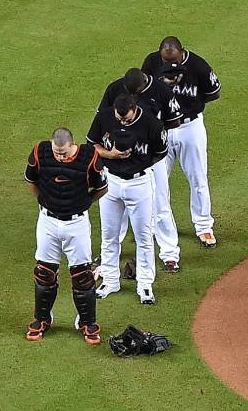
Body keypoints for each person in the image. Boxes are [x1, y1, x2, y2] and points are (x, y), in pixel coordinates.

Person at [24, 127, 107, 344]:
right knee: (44, 272)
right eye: (56, 151)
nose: (59, 156)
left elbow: (102, 188)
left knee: (82, 275)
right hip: (48, 221)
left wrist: (86, 202)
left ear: (72, 145)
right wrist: (44, 202)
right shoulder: (40, 153)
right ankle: (42, 319)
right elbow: (32, 181)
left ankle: (87, 322)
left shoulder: (89, 157)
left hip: (77, 223)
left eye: (63, 152)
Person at [95, 68, 184, 272]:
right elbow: (103, 118)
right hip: (118, 163)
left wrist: (148, 146)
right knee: (117, 209)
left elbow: (174, 120)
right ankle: (110, 252)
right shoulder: (114, 89)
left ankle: (170, 253)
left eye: (136, 92)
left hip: (151, 159)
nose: (133, 95)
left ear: (143, 85)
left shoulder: (160, 90)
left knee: (160, 203)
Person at [142, 36, 221, 248]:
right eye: (166, 60)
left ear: (182, 51)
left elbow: (214, 92)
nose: (169, 64)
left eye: (173, 59)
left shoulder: (198, 66)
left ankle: (204, 227)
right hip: (162, 128)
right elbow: (141, 92)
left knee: (198, 178)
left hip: (190, 128)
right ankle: (153, 228)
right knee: (156, 182)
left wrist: (191, 106)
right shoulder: (151, 62)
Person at [88, 93, 167, 304]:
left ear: (135, 108)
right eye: (120, 117)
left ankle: (145, 285)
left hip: (139, 183)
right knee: (109, 234)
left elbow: (160, 152)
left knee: (144, 236)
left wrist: (138, 163)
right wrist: (111, 155)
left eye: (127, 118)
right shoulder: (104, 116)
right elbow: (92, 145)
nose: (122, 121)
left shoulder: (151, 123)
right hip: (111, 182)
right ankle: (111, 280)